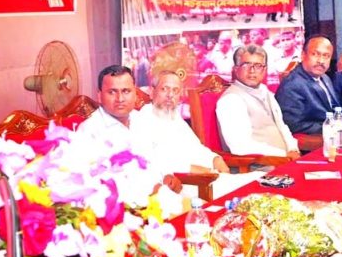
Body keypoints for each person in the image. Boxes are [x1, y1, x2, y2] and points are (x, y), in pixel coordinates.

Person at [76, 65, 181, 195]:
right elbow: (97, 184)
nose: (120, 99)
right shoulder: (89, 130)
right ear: (99, 96)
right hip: (128, 209)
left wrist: (167, 175)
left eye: (126, 91)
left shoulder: (141, 120)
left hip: (164, 198)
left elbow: (158, 156)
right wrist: (149, 191)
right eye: (112, 92)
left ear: (135, 93)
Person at [131, 70, 230, 174]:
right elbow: (152, 161)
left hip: (204, 178)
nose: (170, 95)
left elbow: (196, 148)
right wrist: (192, 169)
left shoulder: (174, 117)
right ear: (152, 92)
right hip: (178, 183)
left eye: (175, 90)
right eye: (165, 89)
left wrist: (214, 159)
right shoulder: (141, 120)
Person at [216, 45, 300, 158]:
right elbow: (240, 146)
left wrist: (293, 148)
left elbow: (282, 126)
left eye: (258, 66)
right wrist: (284, 155)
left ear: (265, 69)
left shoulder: (266, 92)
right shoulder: (231, 100)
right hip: (260, 167)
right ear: (236, 69)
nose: (252, 71)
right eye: (246, 65)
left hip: (285, 161)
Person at [275, 35, 340, 134]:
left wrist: (341, 120)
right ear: (303, 55)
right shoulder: (292, 84)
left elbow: (332, 108)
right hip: (312, 142)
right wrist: (332, 127)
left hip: (335, 133)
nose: (321, 61)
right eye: (315, 54)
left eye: (326, 56)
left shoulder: (325, 77)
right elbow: (293, 125)